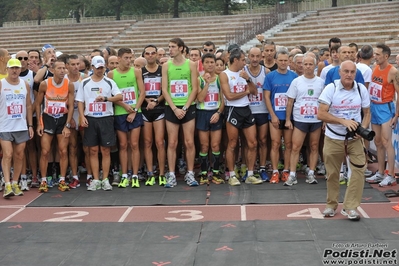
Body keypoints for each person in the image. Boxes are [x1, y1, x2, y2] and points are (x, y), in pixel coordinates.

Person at [318, 60, 371, 221]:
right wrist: (343, 121)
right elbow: (321, 114)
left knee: (359, 170)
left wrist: (362, 129)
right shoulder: (331, 88)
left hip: (355, 139)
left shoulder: (361, 89)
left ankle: (350, 207)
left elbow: (367, 113)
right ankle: (331, 204)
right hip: (333, 137)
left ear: (356, 74)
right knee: (333, 173)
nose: (349, 75)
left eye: (352, 72)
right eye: (346, 71)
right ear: (340, 72)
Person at [76, 55, 122, 191]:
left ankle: (105, 179)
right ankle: (96, 179)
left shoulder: (109, 82)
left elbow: (119, 96)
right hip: (91, 119)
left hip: (106, 118)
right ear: (92, 68)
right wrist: (82, 116)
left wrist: (106, 98)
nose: (100, 70)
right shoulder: (85, 82)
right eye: (97, 68)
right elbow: (80, 101)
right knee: (93, 150)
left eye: (102, 67)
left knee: (106, 150)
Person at [220, 48, 263, 186]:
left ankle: (250, 174)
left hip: (246, 109)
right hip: (233, 110)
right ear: (236, 60)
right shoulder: (225, 74)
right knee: (232, 143)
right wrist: (246, 92)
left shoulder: (244, 73)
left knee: (253, 143)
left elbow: (255, 92)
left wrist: (249, 79)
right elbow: (229, 96)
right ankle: (232, 174)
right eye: (243, 60)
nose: (245, 62)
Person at [161, 38, 199, 188]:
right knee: (172, 142)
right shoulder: (166, 65)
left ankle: (190, 173)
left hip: (187, 106)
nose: (170, 50)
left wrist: (184, 108)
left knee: (189, 142)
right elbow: (164, 89)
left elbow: (195, 88)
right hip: (171, 107)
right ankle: (171, 174)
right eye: (169, 47)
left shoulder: (191, 64)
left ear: (181, 48)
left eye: (173, 47)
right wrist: (175, 108)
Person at [34, 59, 75, 193]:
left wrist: (67, 125)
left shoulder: (69, 84)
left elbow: (70, 106)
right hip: (48, 118)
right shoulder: (45, 84)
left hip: (62, 118)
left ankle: (62, 179)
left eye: (64, 68)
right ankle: (44, 180)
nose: (63, 71)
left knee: (63, 150)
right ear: (53, 70)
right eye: (59, 68)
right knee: (45, 151)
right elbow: (38, 104)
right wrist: (40, 123)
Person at [284, 54, 324, 185]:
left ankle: (311, 173)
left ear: (315, 65)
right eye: (305, 64)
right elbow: (290, 102)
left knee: (314, 146)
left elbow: (325, 103)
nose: (307, 67)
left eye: (310, 64)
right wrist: (288, 120)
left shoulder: (320, 82)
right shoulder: (297, 81)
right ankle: (292, 174)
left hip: (316, 120)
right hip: (300, 119)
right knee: (295, 147)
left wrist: (325, 120)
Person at [108, 49, 145, 188]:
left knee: (134, 144)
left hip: (135, 112)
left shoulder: (136, 71)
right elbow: (111, 95)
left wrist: (134, 110)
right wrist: (124, 106)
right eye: (126, 58)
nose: (128, 60)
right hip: (120, 112)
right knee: (123, 145)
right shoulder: (112, 74)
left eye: (130, 57)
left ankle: (134, 175)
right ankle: (124, 175)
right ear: (119, 58)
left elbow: (142, 93)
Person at [365, 43, 399, 187]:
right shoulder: (375, 68)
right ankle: (380, 172)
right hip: (375, 107)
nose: (375, 57)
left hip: (386, 108)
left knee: (386, 141)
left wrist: (396, 115)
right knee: (378, 142)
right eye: (375, 54)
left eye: (378, 54)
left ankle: (391, 174)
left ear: (386, 56)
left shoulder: (393, 71)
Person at [0, 58, 34, 198]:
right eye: (12, 68)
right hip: (5, 125)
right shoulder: (1, 84)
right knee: (7, 154)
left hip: (20, 125)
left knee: (19, 155)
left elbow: (28, 105)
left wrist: (30, 125)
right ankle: (7, 184)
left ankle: (15, 182)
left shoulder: (24, 84)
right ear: (7, 69)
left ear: (20, 69)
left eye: (17, 68)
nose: (14, 70)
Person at [263, 48, 298, 184]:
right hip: (275, 117)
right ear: (276, 61)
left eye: (285, 60)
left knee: (288, 145)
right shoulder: (270, 76)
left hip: (289, 117)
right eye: (281, 60)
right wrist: (273, 115)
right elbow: (267, 97)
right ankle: (275, 171)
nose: (283, 63)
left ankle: (286, 171)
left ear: (289, 61)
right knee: (275, 144)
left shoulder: (294, 76)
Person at [196, 53, 225, 185]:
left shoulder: (220, 79)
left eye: (212, 62)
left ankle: (216, 173)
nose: (210, 65)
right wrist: (207, 84)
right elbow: (200, 98)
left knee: (215, 145)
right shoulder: (199, 80)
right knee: (204, 145)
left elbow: (223, 100)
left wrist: (219, 113)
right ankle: (203, 173)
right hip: (202, 113)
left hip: (215, 113)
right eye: (207, 62)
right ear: (203, 64)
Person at [243, 47, 270, 182]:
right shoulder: (243, 72)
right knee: (250, 143)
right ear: (248, 56)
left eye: (257, 56)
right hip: (248, 111)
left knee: (263, 140)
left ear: (261, 57)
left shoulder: (266, 71)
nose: (254, 59)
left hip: (263, 111)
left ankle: (263, 168)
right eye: (252, 56)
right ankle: (249, 169)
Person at [141, 45, 166, 186]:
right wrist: (146, 101)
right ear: (144, 55)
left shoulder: (163, 70)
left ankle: (161, 173)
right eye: (147, 53)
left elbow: (165, 90)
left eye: (153, 53)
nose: (150, 55)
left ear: (157, 55)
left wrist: (155, 101)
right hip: (145, 110)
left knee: (160, 142)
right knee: (147, 142)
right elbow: (139, 90)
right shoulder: (140, 71)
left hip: (159, 108)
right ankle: (150, 173)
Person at [16, 50, 38, 190]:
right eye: (20, 58)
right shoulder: (10, 76)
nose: (23, 60)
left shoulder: (33, 75)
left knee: (32, 147)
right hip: (16, 119)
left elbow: (36, 98)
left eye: (25, 58)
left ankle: (35, 175)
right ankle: (21, 176)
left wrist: (30, 113)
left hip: (31, 116)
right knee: (18, 149)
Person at [65, 55, 87, 189]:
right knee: (72, 147)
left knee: (88, 147)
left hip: (83, 115)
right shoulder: (65, 80)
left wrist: (83, 116)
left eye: (77, 64)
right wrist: (70, 118)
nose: (75, 67)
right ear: (67, 66)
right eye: (72, 64)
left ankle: (91, 176)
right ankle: (74, 176)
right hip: (70, 115)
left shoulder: (85, 78)